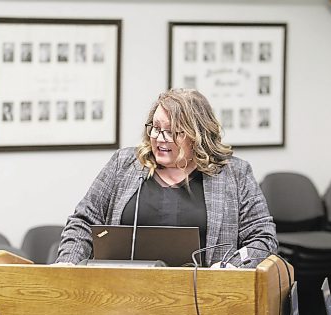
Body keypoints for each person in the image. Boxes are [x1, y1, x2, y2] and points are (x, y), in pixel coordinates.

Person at [55, 88, 277, 268]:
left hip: (205, 304)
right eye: (155, 128)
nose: (160, 138)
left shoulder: (235, 175)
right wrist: (67, 262)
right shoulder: (124, 164)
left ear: (198, 136)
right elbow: (83, 221)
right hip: (123, 298)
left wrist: (231, 267)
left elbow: (263, 239)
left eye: (173, 132)